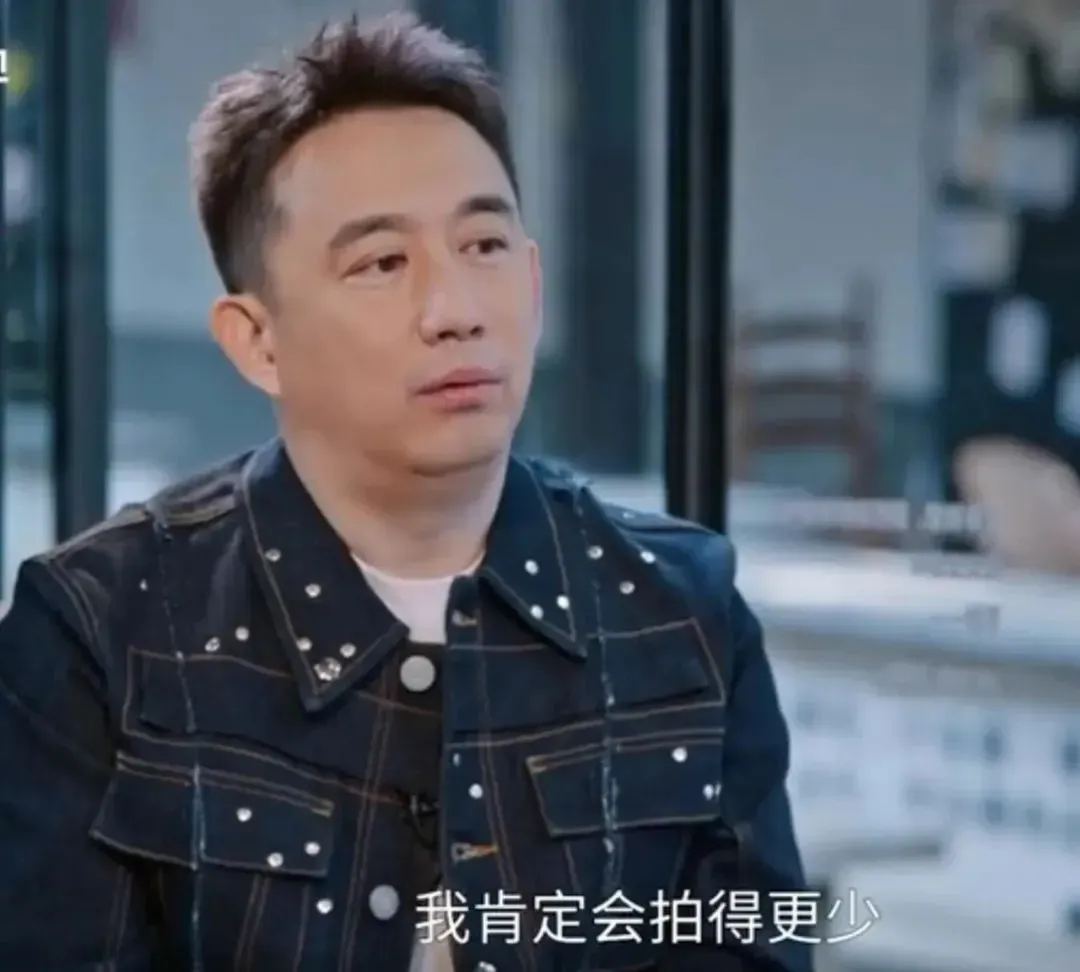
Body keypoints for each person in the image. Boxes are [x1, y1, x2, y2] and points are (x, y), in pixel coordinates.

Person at [0, 13, 809, 972]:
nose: (455, 311)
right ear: (258, 341)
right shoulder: (100, 631)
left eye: (485, 246)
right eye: (383, 263)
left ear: (534, 281)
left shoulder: (682, 610)